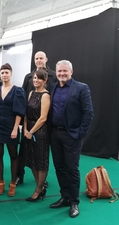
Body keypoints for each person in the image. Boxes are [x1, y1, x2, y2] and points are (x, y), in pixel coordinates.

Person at [49, 60, 93, 218]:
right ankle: (65, 197)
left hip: (72, 135)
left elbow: (88, 112)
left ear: (71, 72)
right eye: (59, 71)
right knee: (59, 167)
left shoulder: (81, 88)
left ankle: (74, 202)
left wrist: (80, 133)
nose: (61, 74)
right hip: (54, 134)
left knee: (71, 169)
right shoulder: (52, 87)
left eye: (64, 71)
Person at [18, 51, 57, 185]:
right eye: (36, 58)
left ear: (46, 59)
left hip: (42, 124)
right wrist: (25, 128)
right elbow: (23, 98)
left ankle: (41, 184)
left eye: (41, 58)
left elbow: (44, 115)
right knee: (25, 153)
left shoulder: (53, 77)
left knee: (41, 156)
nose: (39, 60)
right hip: (29, 124)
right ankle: (19, 176)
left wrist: (33, 130)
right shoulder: (28, 77)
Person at [0, 63, 26, 197]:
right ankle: (1, 182)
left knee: (13, 155)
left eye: (6, 72)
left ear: (11, 74)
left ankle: (13, 183)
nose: (4, 75)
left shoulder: (18, 91)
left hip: (11, 126)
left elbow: (20, 113)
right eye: (2, 72)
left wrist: (15, 129)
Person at [23, 69, 50, 202]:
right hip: (29, 131)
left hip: (40, 133)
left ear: (44, 80)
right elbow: (26, 114)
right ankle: (40, 186)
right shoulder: (31, 93)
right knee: (32, 160)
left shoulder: (46, 96)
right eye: (34, 78)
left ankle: (39, 189)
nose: (36, 80)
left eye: (39, 78)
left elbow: (43, 118)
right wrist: (25, 129)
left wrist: (32, 131)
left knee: (41, 161)